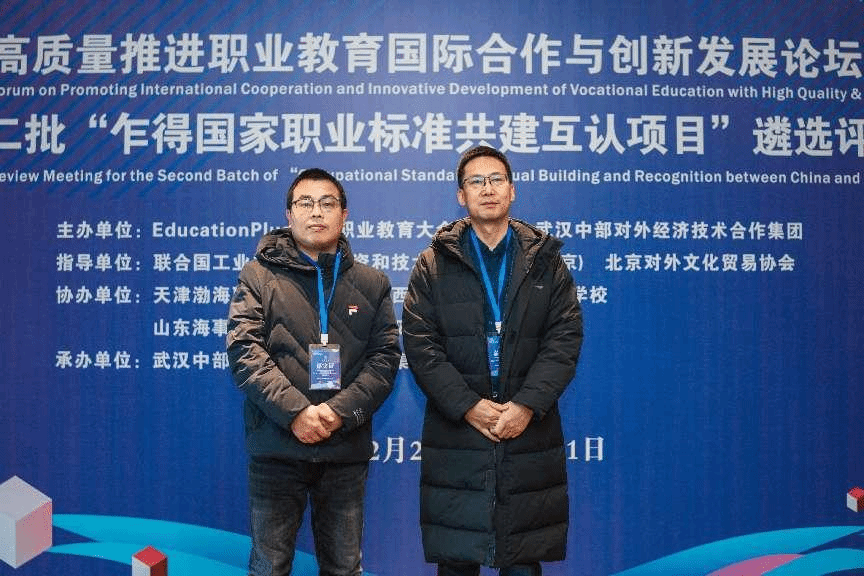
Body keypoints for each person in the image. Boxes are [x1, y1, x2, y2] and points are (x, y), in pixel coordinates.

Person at [402, 146, 584, 576]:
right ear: (461, 196)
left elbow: (564, 338)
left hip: (527, 431)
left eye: (496, 179)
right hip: (458, 433)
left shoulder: (545, 261)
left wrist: (525, 405)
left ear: (512, 190)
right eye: (476, 181)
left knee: (522, 560)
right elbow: (421, 344)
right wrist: (468, 405)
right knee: (457, 559)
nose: (487, 189)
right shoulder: (432, 263)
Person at [226, 168, 401, 576]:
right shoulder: (258, 275)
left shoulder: (372, 283)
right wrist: (295, 413)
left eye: (327, 203)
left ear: (344, 215)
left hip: (344, 450)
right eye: (305, 203)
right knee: (269, 567)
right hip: (277, 445)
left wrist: (339, 412)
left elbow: (384, 359)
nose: (317, 212)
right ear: (289, 214)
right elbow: (244, 350)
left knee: (344, 567)